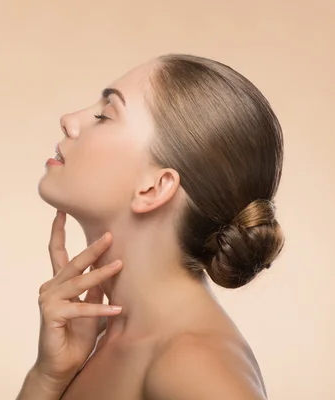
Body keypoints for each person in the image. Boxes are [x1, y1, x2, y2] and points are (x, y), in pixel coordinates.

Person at [16, 53, 285, 400]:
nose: (69, 121)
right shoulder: (100, 339)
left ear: (153, 188)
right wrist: (47, 378)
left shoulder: (193, 365)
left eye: (104, 116)